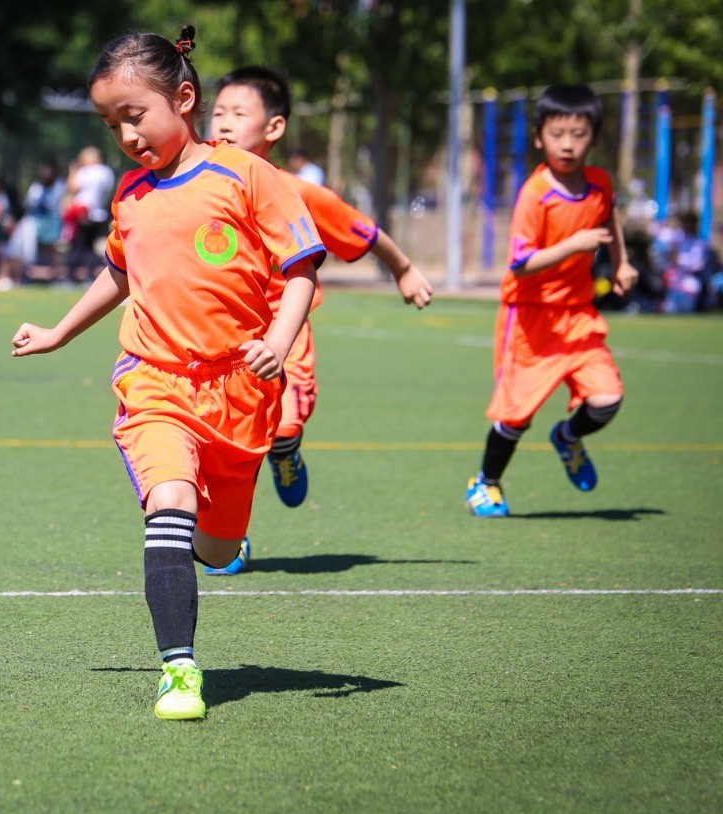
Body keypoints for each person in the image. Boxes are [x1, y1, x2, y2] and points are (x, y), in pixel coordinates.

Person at [11, 26, 325, 720]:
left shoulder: (247, 176)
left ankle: (233, 506)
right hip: (154, 378)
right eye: (110, 122)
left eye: (134, 115)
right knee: (170, 502)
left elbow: (301, 267)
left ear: (183, 99)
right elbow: (119, 272)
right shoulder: (130, 193)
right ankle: (179, 669)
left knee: (216, 548)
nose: (125, 134)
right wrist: (61, 330)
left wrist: (279, 336)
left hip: (241, 393)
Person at [203, 65, 434, 573]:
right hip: (219, 336)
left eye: (238, 114)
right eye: (217, 112)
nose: (223, 124)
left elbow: (364, 232)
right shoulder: (198, 185)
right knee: (221, 440)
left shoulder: (297, 192)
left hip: (286, 333)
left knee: (282, 427)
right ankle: (228, 531)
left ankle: (287, 452)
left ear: (274, 128)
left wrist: (405, 270)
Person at [464, 84, 638, 518]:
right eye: (557, 133)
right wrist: (575, 244)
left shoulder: (599, 183)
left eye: (578, 134)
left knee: (607, 399)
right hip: (530, 320)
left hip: (578, 315)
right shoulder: (535, 193)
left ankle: (568, 436)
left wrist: (621, 262)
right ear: (540, 136)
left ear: (593, 138)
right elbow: (520, 264)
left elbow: (608, 214)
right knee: (516, 415)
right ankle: (485, 484)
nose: (567, 143)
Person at [62, 145, 115, 282]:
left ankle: (70, 276)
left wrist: (72, 171)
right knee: (94, 247)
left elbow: (72, 187)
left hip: (83, 213)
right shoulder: (106, 172)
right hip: (100, 213)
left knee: (79, 246)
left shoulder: (85, 172)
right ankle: (91, 276)